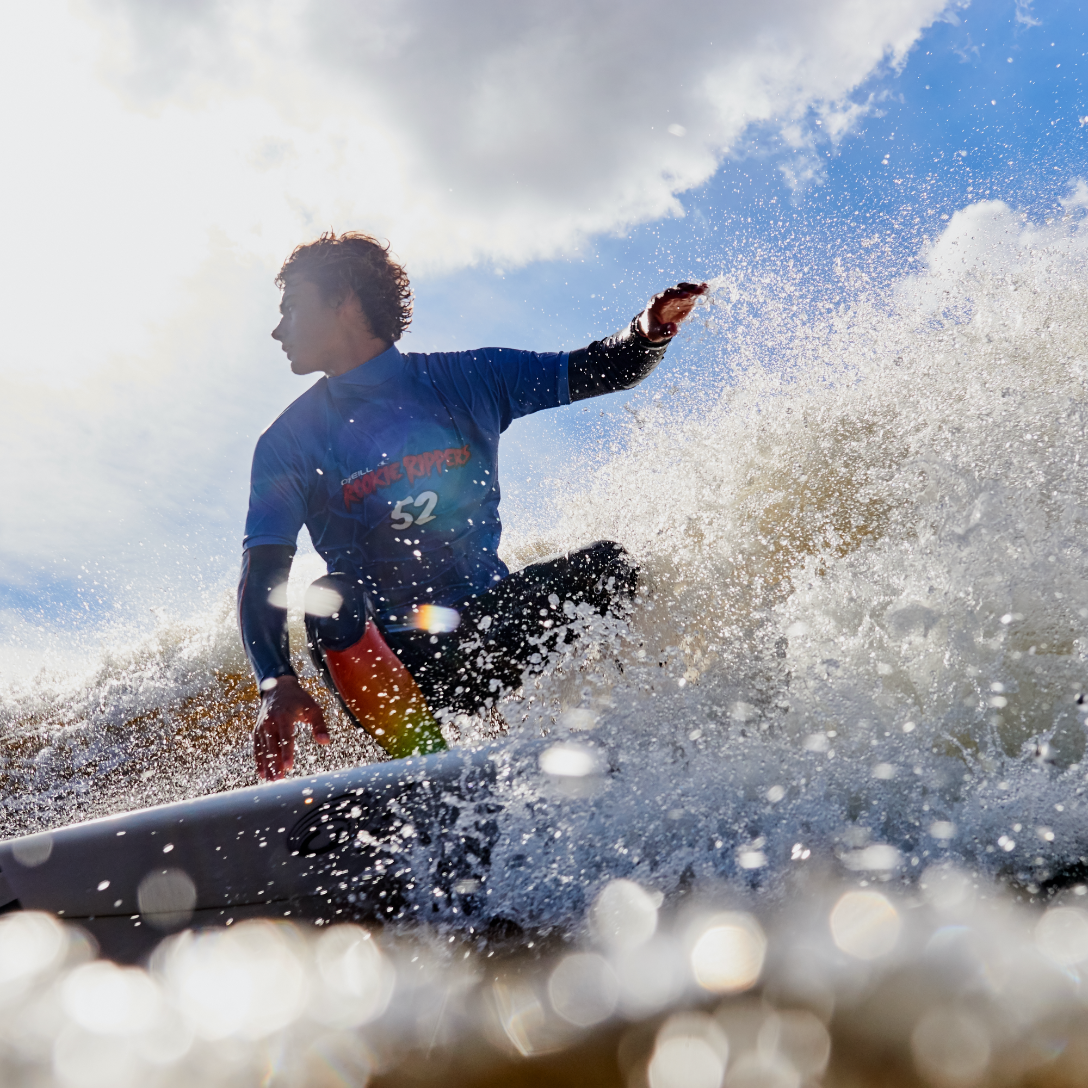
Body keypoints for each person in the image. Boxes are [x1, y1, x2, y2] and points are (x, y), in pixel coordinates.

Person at [239, 231, 706, 780]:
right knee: (330, 598)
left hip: (486, 632)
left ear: (342, 297)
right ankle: (426, 768)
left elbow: (595, 369)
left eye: (291, 307)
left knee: (608, 567)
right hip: (392, 660)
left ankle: (639, 736)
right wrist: (276, 680)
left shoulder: (467, 379)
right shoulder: (288, 441)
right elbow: (263, 570)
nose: (277, 329)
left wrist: (647, 332)